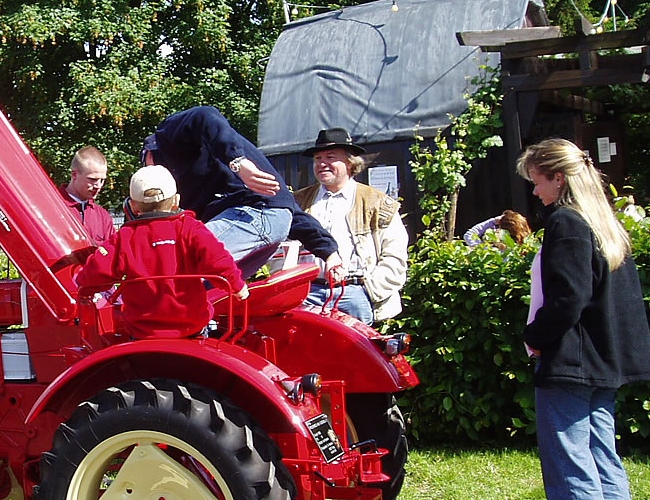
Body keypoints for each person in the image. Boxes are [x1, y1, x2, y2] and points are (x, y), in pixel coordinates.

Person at [517, 138, 650, 500]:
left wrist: (535, 335)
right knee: (604, 463)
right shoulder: (603, 222)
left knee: (571, 468)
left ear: (558, 177)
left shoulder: (566, 223)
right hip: (603, 363)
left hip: (570, 365)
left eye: (537, 180)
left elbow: (566, 299)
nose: (534, 191)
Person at [144, 106, 342, 278]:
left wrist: (238, 161)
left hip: (252, 213)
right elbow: (287, 211)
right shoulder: (208, 186)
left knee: (169, 267)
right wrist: (329, 252)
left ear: (149, 158)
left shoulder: (167, 136)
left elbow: (204, 115)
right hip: (272, 221)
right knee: (209, 289)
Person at [75, 165, 248, 339]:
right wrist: (237, 286)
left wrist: (86, 288)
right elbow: (218, 260)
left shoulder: (124, 238)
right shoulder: (190, 229)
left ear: (133, 206)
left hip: (143, 334)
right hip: (192, 330)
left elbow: (93, 274)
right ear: (176, 201)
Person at [292, 128, 409, 324]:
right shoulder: (298, 202)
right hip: (307, 294)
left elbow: (395, 256)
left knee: (353, 354)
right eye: (317, 158)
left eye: (330, 157)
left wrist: (368, 291)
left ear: (350, 162)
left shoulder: (377, 203)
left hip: (354, 294)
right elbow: (279, 249)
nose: (322, 163)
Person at [58, 146, 114, 245]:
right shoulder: (54, 207)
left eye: (102, 180)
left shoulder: (102, 216)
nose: (98, 186)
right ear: (74, 175)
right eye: (92, 179)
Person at [463, 210, 532, 248]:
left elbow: (469, 235)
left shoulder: (492, 251)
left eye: (498, 227)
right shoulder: (526, 249)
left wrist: (493, 221)